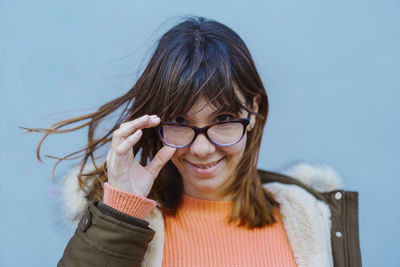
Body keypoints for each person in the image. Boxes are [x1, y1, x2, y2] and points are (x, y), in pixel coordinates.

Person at [29, 16, 361, 266]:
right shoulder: (131, 225)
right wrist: (119, 213)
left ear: (254, 110)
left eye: (224, 119)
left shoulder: (311, 217)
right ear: (154, 122)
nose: (201, 149)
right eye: (178, 121)